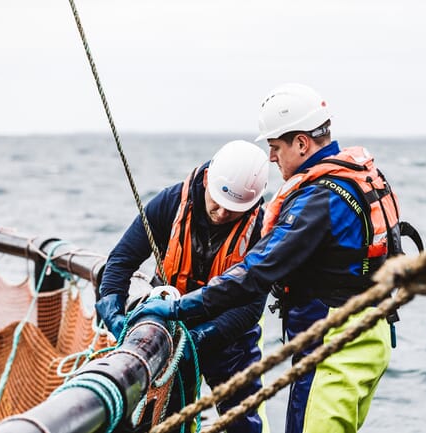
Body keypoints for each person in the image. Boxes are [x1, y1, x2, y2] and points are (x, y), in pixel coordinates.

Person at [128, 83, 405, 433]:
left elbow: (254, 273)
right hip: (369, 338)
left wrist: (179, 309)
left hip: (334, 346)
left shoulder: (318, 200)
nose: (272, 158)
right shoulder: (352, 178)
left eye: (275, 147)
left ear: (302, 143)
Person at [95, 139, 270, 433]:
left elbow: (251, 307)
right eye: (219, 201)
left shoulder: (262, 228)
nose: (223, 214)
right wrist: (113, 311)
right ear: (208, 180)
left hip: (229, 333)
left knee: (244, 421)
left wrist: (201, 338)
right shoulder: (170, 202)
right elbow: (121, 260)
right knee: (158, 416)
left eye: (234, 209)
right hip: (168, 327)